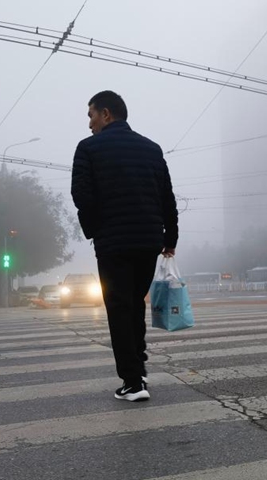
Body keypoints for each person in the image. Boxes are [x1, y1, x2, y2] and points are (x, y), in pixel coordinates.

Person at [72, 90, 178, 402]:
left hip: (113, 243)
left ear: (106, 114)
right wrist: (169, 239)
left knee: (119, 307)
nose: (89, 124)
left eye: (91, 115)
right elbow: (166, 197)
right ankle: (139, 371)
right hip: (148, 241)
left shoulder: (88, 149)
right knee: (134, 304)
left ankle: (132, 382)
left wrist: (95, 230)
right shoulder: (152, 149)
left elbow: (82, 194)